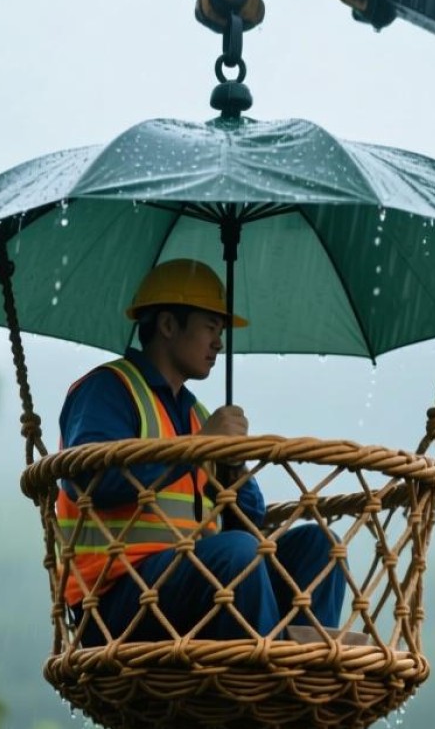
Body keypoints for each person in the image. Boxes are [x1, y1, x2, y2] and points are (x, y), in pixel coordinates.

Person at [57, 258, 345, 645]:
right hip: (115, 601)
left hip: (195, 587)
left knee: (319, 546)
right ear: (168, 325)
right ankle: (260, 667)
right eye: (210, 327)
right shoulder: (107, 390)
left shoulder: (199, 415)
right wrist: (194, 450)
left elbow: (249, 521)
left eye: (221, 331)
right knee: (237, 554)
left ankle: (304, 664)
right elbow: (92, 482)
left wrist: (234, 465)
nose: (219, 342)